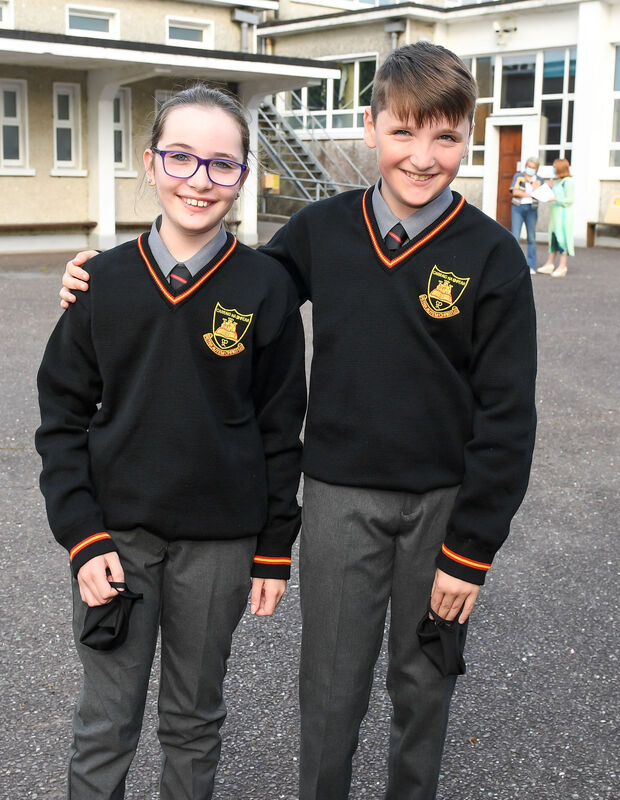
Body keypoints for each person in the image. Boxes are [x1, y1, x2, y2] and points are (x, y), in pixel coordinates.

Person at [60, 43, 537, 800]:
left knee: (425, 682)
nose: (421, 156)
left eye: (445, 136)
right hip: (341, 497)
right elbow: (235, 282)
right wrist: (105, 273)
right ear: (373, 127)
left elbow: (510, 415)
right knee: (331, 687)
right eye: (403, 132)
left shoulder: (493, 255)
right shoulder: (321, 229)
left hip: (444, 507)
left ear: (468, 139)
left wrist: (471, 549)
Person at [36, 85, 306, 800]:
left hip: (220, 544)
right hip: (115, 542)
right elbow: (61, 419)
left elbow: (282, 429)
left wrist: (276, 545)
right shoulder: (101, 281)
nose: (200, 179)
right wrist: (82, 538)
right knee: (106, 721)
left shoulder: (265, 286)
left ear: (244, 177)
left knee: (193, 718)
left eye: (222, 164)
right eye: (181, 157)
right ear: (150, 163)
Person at [537, 158, 575, 277]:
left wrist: (556, 199)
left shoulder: (568, 182)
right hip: (555, 214)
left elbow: (570, 200)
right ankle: (550, 263)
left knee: (562, 238)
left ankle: (562, 266)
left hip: (563, 215)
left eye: (554, 166)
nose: (553, 168)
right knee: (553, 237)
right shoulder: (557, 181)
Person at [510, 156, 542, 275]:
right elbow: (515, 191)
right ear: (526, 166)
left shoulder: (539, 179)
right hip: (518, 208)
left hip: (532, 210)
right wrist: (531, 194)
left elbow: (540, 194)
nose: (531, 169)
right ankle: (513, 264)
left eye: (533, 168)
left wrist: (530, 191)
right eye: (529, 167)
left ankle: (531, 265)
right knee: (515, 236)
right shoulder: (518, 177)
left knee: (531, 238)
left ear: (537, 169)